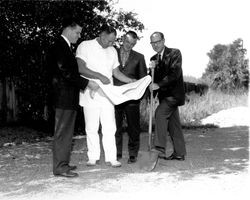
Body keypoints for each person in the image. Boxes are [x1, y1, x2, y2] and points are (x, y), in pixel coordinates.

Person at [47, 16, 99, 178]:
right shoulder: (59, 46)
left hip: (67, 98)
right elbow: (67, 72)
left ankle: (63, 163)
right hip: (63, 98)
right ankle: (60, 167)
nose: (79, 36)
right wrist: (87, 83)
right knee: (63, 133)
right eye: (77, 32)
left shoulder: (64, 46)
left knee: (67, 133)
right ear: (68, 29)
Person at [76, 25, 134, 167]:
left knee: (110, 127)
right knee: (91, 127)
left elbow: (116, 73)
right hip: (90, 92)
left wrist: (131, 81)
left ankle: (111, 157)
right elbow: (80, 68)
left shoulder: (112, 50)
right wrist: (100, 76)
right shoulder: (85, 45)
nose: (111, 44)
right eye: (109, 41)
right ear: (101, 35)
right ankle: (93, 157)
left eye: (113, 41)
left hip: (107, 94)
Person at [149, 31, 186, 161]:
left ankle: (159, 148)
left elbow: (174, 74)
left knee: (160, 113)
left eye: (158, 42)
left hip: (174, 95)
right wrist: (151, 72)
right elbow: (152, 79)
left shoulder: (175, 53)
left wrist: (158, 84)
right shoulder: (153, 59)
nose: (155, 45)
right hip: (163, 97)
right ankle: (179, 153)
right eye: (152, 43)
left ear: (164, 41)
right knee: (173, 124)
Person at [113, 31, 147, 164]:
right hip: (115, 95)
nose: (129, 46)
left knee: (133, 127)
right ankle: (117, 152)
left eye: (132, 44)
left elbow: (143, 79)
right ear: (122, 39)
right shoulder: (111, 52)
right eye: (127, 42)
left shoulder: (139, 57)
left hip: (132, 97)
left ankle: (133, 154)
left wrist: (142, 98)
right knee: (115, 126)